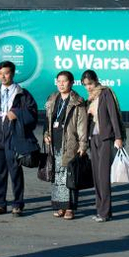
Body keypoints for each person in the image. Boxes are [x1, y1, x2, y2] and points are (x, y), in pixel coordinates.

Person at [0, 60, 38, 217]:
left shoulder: (22, 94)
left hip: (14, 138)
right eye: (0, 73)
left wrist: (17, 114)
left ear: (12, 73)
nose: (3, 76)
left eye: (6, 73)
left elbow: (33, 114)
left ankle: (18, 204)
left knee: (15, 172)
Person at [43, 71, 88, 220]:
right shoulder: (52, 99)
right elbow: (48, 120)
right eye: (59, 81)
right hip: (54, 143)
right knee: (57, 176)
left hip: (70, 143)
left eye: (64, 81)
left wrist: (83, 145)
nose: (61, 84)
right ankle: (59, 206)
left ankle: (70, 208)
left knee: (69, 176)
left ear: (71, 83)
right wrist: (46, 135)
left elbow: (82, 125)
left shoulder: (77, 102)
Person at [80, 69, 124, 223]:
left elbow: (113, 115)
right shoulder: (89, 98)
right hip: (93, 138)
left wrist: (118, 137)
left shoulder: (105, 93)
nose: (88, 87)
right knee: (97, 177)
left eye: (90, 83)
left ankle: (105, 212)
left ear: (96, 80)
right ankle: (100, 210)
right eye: (85, 85)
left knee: (103, 176)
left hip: (106, 138)